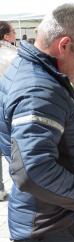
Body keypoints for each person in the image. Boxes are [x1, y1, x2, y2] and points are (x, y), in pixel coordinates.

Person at [0, 4, 74, 242]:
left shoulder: (39, 75)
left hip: (56, 222)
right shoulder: (38, 89)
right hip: (54, 230)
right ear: (64, 45)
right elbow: (34, 169)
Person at [0, 20, 17, 201]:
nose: (15, 34)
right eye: (13, 31)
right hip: (8, 105)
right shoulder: (12, 55)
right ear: (6, 36)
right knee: (12, 147)